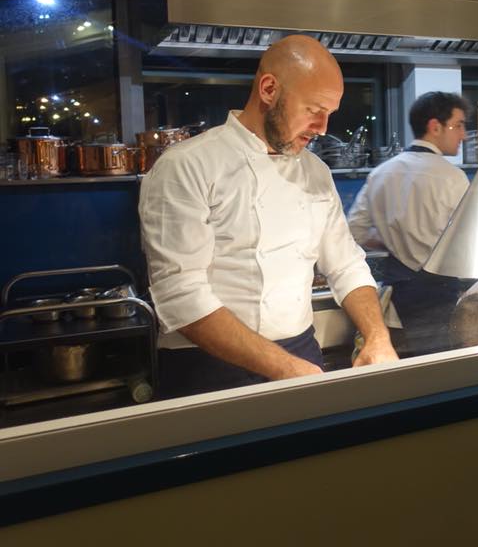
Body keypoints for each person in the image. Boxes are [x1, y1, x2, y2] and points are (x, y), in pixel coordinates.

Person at [139, 35, 398, 399]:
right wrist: (285, 367)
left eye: (330, 113)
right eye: (314, 109)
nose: (323, 127)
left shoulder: (316, 171)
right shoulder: (186, 165)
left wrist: (377, 336)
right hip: (207, 366)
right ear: (268, 89)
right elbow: (180, 293)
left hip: (301, 351)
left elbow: (346, 265)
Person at [347, 91, 471, 355]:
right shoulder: (453, 177)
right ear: (434, 126)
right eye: (459, 125)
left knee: (405, 366)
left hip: (397, 298)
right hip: (439, 294)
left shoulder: (380, 173)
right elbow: (467, 239)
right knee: (439, 364)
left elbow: (354, 231)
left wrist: (393, 239)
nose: (464, 135)